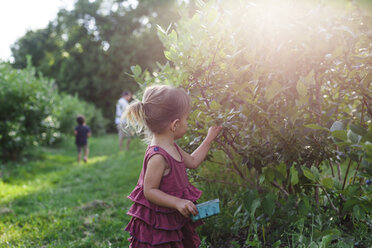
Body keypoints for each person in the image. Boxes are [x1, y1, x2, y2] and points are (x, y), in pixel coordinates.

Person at [124, 85, 222, 248]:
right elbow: (150, 191)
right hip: (159, 223)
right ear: (175, 124)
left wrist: (209, 138)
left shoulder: (172, 147)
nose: (187, 123)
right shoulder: (158, 156)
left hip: (172, 216)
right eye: (186, 119)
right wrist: (177, 202)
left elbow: (193, 161)